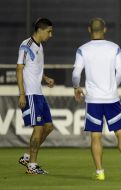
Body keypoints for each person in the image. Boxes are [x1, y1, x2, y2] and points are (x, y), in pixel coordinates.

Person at [72, 18, 121, 181]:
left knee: (96, 136)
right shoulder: (114, 48)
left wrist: (76, 87)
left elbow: (76, 73)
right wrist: (113, 86)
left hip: (93, 100)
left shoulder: (82, 49)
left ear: (89, 29)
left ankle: (100, 172)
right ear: (105, 30)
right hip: (111, 99)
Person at [16, 18, 54, 174]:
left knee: (48, 127)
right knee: (38, 128)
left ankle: (27, 156)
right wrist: (22, 94)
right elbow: (19, 69)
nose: (51, 35)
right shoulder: (26, 46)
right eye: (49, 31)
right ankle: (32, 166)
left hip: (39, 93)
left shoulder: (40, 46)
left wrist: (45, 79)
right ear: (40, 30)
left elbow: (35, 67)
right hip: (30, 93)